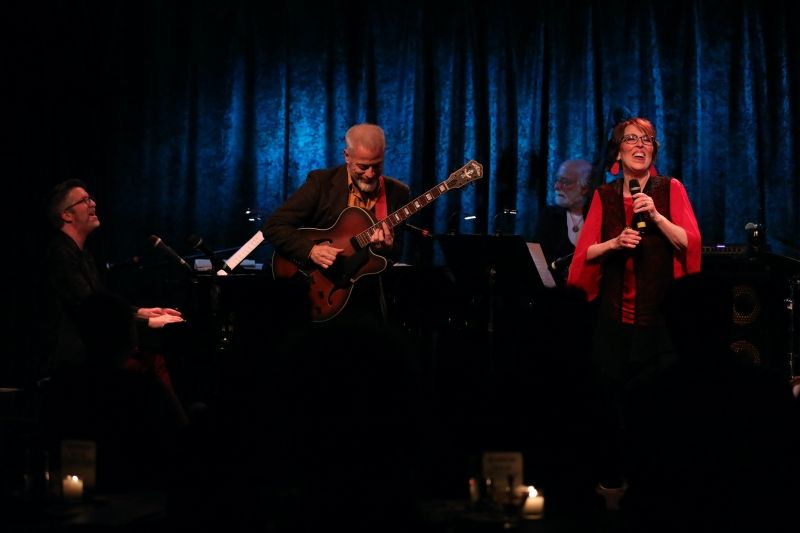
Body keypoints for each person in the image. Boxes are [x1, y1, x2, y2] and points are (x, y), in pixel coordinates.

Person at [566, 116, 701, 508]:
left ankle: (657, 489)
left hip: (659, 318)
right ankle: (613, 485)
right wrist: (613, 243)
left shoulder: (669, 188)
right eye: (631, 139)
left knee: (658, 410)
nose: (641, 145)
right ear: (618, 152)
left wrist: (657, 216)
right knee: (613, 407)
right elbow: (583, 254)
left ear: (654, 150)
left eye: (648, 140)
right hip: (614, 318)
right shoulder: (604, 196)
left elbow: (691, 243)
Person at [262, 123, 410, 325]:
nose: (370, 173)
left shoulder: (398, 192)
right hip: (317, 292)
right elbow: (274, 226)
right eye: (362, 166)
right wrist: (311, 250)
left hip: (366, 301)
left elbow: (395, 252)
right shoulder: (321, 183)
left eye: (377, 165)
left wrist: (386, 247)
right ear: (347, 156)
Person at [41, 179, 184, 380]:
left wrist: (140, 311)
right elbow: (92, 310)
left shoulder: (82, 253)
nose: (93, 203)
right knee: (150, 365)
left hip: (89, 351)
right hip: (74, 359)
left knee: (155, 360)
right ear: (66, 215)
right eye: (84, 200)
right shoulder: (59, 254)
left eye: (91, 198)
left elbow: (101, 300)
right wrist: (148, 322)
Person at [533, 159, 593, 285]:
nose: (557, 186)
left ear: (585, 188)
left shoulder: (597, 215)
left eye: (565, 181)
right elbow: (538, 258)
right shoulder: (549, 216)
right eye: (557, 180)